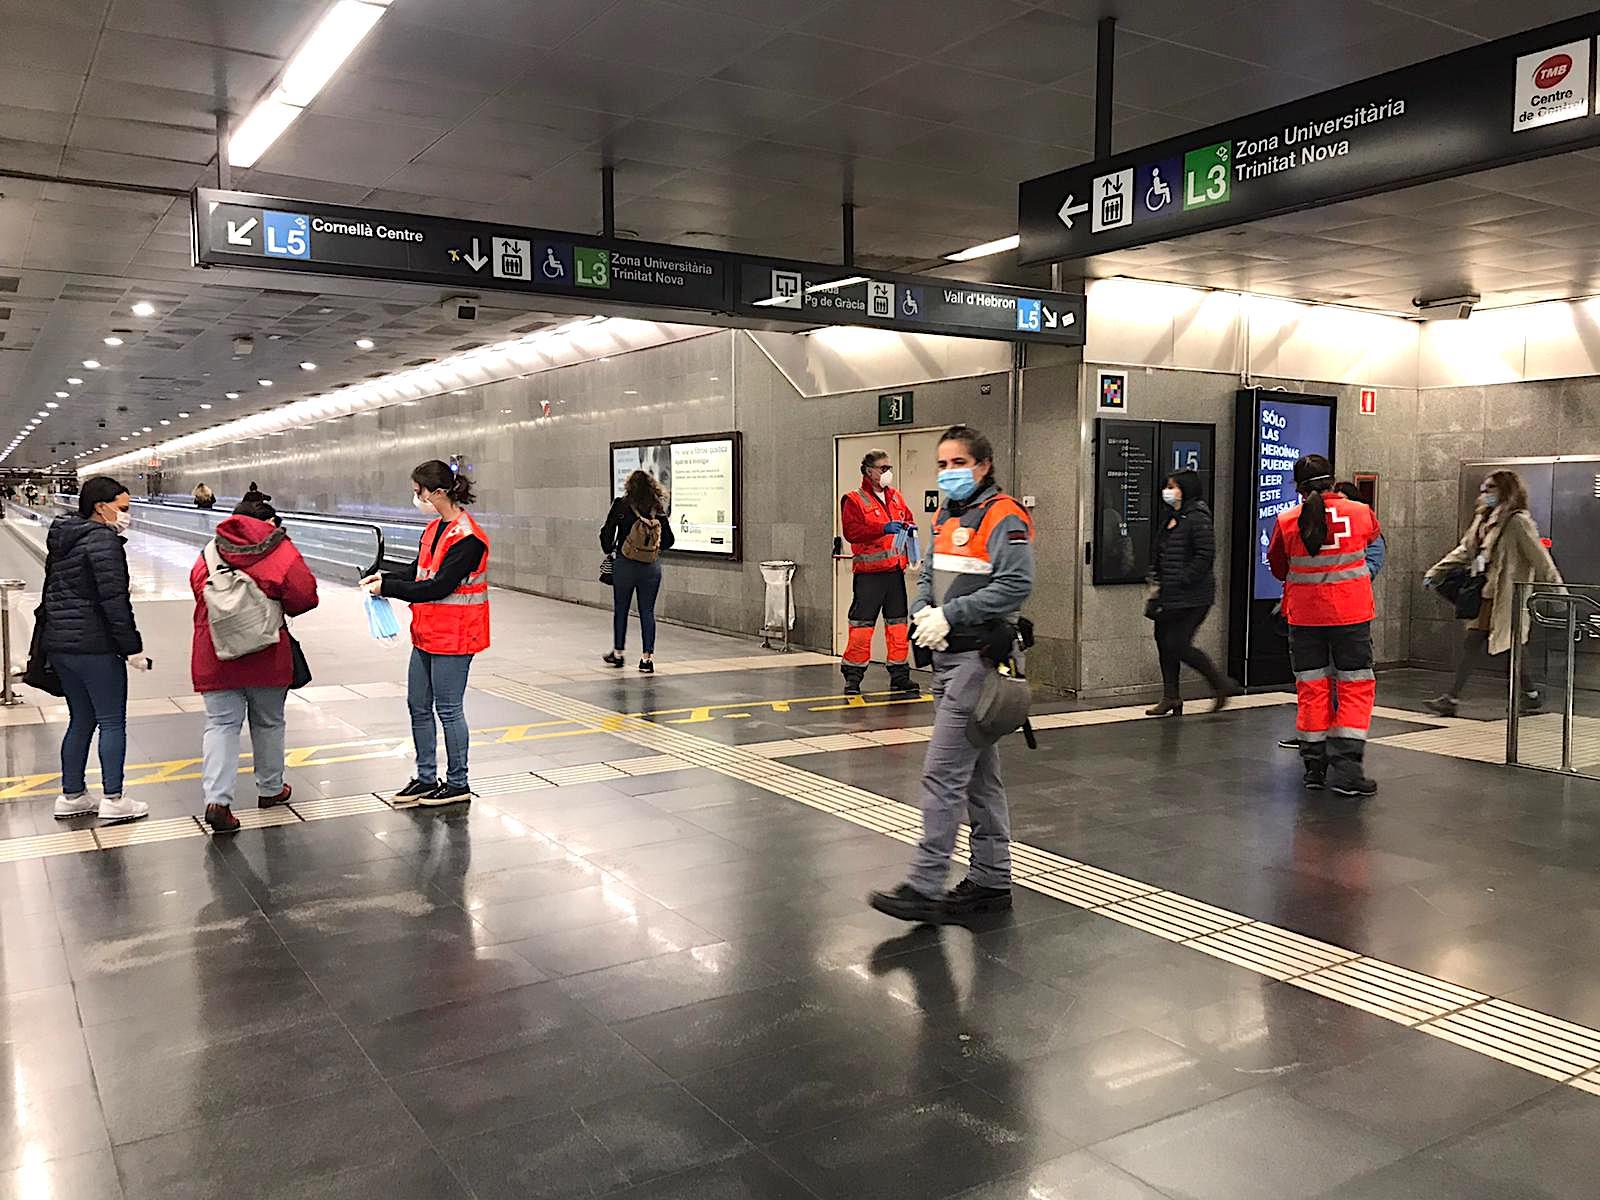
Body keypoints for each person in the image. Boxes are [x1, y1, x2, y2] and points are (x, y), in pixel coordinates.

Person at [869, 425, 1034, 923]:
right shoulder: (947, 514)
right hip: (946, 658)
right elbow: (928, 574)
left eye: (957, 463)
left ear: (983, 465)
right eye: (941, 465)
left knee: (943, 773)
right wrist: (924, 611)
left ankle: (924, 884)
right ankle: (991, 877)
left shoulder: (1005, 516)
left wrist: (953, 615)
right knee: (980, 777)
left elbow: (1017, 583)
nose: (948, 473)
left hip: (977, 663)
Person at [361, 460, 488, 805]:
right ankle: (426, 777)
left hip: (456, 636)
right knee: (418, 705)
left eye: (420, 492)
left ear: (439, 493)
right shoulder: (434, 529)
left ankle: (458, 782)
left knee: (448, 709)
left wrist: (388, 588)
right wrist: (382, 577)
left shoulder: (469, 538)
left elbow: (438, 586)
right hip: (427, 633)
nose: (416, 497)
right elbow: (418, 569)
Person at [190, 497, 318, 833]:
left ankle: (217, 800)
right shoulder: (280, 551)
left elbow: (198, 589)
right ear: (270, 523)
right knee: (269, 722)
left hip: (215, 653)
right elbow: (305, 597)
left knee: (220, 726)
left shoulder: (208, 552)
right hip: (267, 653)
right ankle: (271, 789)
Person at [1267, 455, 1383, 797]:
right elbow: (1371, 539)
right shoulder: (1360, 512)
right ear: (1333, 480)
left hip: (1305, 618)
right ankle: (1347, 770)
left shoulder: (1287, 521)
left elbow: (1278, 567)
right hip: (1351, 616)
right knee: (1354, 687)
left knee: (1312, 689)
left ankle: (1313, 768)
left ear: (1297, 486)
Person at [45, 476, 148, 825]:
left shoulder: (63, 540)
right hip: (95, 647)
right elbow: (114, 602)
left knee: (81, 719)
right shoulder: (104, 542)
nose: (127, 515)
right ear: (101, 507)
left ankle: (72, 795)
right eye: (123, 508)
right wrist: (132, 648)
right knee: (111, 721)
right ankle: (114, 799)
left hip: (60, 645)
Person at [1424, 469, 1561, 717]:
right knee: (1497, 644)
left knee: (1496, 644)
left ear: (1506, 491)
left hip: (1506, 595)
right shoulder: (1483, 518)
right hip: (1485, 592)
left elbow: (1541, 560)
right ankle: (1527, 695)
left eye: (1490, 489)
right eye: (1483, 489)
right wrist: (1436, 571)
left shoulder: (1518, 522)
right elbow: (1465, 550)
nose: (1485, 493)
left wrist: (1559, 593)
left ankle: (1454, 698)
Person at [1145, 469, 1237, 716]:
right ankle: (1171, 697)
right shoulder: (1172, 517)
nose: (1169, 491)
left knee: (1178, 643)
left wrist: (1184, 578)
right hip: (1168, 594)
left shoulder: (1198, 517)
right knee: (1163, 642)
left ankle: (1220, 684)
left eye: (1174, 486)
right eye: (1168, 486)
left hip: (1192, 596)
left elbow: (1205, 554)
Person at [839, 448, 920, 697]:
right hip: (869, 575)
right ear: (868, 471)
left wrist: (908, 529)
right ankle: (853, 677)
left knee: (897, 626)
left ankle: (899, 675)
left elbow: (907, 518)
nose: (888, 473)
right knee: (862, 627)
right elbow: (852, 532)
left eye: (889, 468)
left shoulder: (895, 497)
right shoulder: (853, 499)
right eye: (883, 468)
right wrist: (882, 527)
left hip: (894, 573)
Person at [600, 470, 675, 673]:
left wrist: (610, 550)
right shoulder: (656, 508)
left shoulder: (621, 505)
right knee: (647, 611)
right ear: (652, 487)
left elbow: (607, 532)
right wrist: (651, 549)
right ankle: (647, 659)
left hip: (625, 565)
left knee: (621, 608)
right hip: (651, 567)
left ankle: (618, 654)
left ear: (629, 486)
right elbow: (669, 540)